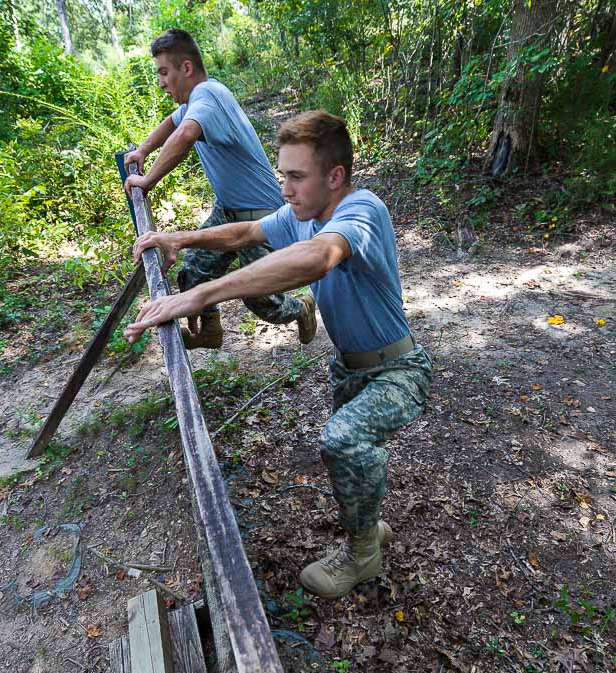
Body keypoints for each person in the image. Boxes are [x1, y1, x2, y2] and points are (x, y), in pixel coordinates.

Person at [124, 110, 432, 599]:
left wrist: (204, 295)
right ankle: (369, 530)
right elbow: (246, 233)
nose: (284, 188)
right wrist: (178, 239)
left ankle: (362, 555)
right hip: (349, 368)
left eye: (295, 177)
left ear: (335, 177)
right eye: (281, 175)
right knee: (345, 457)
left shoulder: (362, 210)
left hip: (398, 369)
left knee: (343, 440)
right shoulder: (303, 214)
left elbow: (318, 257)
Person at [123, 28, 316, 350]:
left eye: (164, 72)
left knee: (262, 301)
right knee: (193, 272)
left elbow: (184, 136)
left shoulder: (208, 94)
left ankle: (302, 308)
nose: (161, 83)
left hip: (262, 213)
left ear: (186, 68)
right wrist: (143, 150)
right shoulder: (195, 101)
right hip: (227, 209)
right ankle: (210, 332)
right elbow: (173, 122)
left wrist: (147, 180)